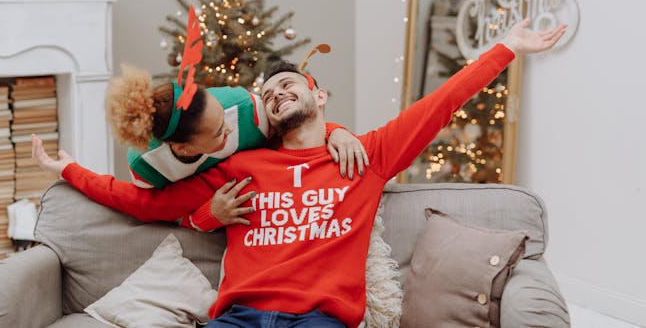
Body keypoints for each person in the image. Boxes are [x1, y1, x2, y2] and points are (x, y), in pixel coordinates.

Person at [33, 19, 566, 327]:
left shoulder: (367, 155)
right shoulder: (240, 167)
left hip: (320, 321)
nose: (278, 90)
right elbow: (143, 203)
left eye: (290, 83)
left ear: (319, 96)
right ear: (264, 116)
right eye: (268, 94)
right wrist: (70, 169)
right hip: (239, 318)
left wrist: (507, 48)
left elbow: (441, 102)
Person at [105, 65, 369, 229]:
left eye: (222, 114)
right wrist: (207, 216)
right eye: (220, 131)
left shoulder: (244, 109)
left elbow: (298, 128)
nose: (230, 128)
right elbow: (158, 211)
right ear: (185, 149)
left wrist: (336, 132)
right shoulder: (147, 167)